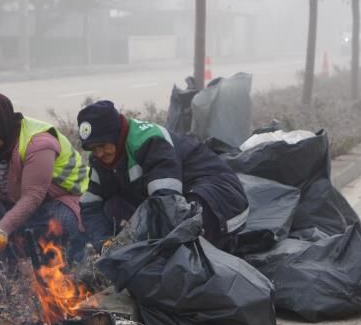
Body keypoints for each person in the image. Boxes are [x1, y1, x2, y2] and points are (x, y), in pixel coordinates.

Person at [76, 100, 248, 253]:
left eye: (103, 145)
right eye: (92, 148)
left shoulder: (150, 142)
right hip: (173, 200)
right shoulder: (100, 160)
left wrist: (126, 242)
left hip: (219, 200)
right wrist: (104, 243)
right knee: (111, 207)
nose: (99, 153)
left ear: (117, 134)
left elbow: (167, 203)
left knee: (182, 229)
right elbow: (91, 207)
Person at [0, 91, 89, 267]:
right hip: (17, 200)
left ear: (1, 123)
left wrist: (1, 229)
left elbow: (33, 196)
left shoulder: (38, 142)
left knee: (60, 223)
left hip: (62, 199)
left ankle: (65, 267)